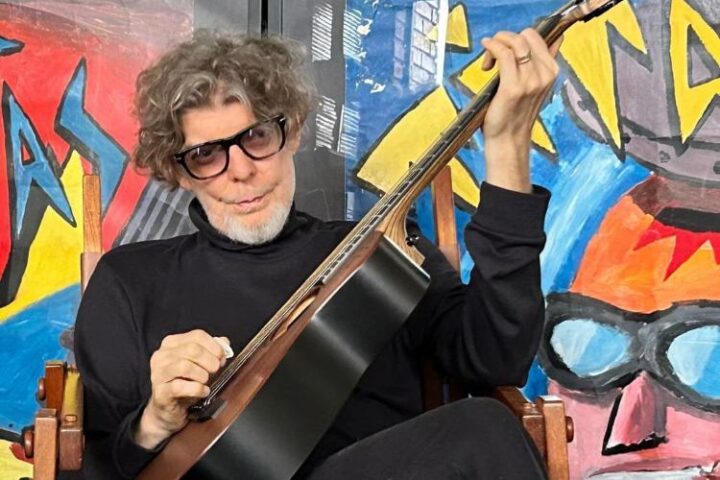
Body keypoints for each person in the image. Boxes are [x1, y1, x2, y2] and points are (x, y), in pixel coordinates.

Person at [73, 29, 559, 479]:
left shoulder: (382, 254)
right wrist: (154, 423)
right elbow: (89, 467)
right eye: (206, 155)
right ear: (179, 172)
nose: (240, 171)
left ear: (294, 132)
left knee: (481, 427)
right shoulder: (130, 282)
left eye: (256, 137)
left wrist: (508, 147)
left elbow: (497, 358)